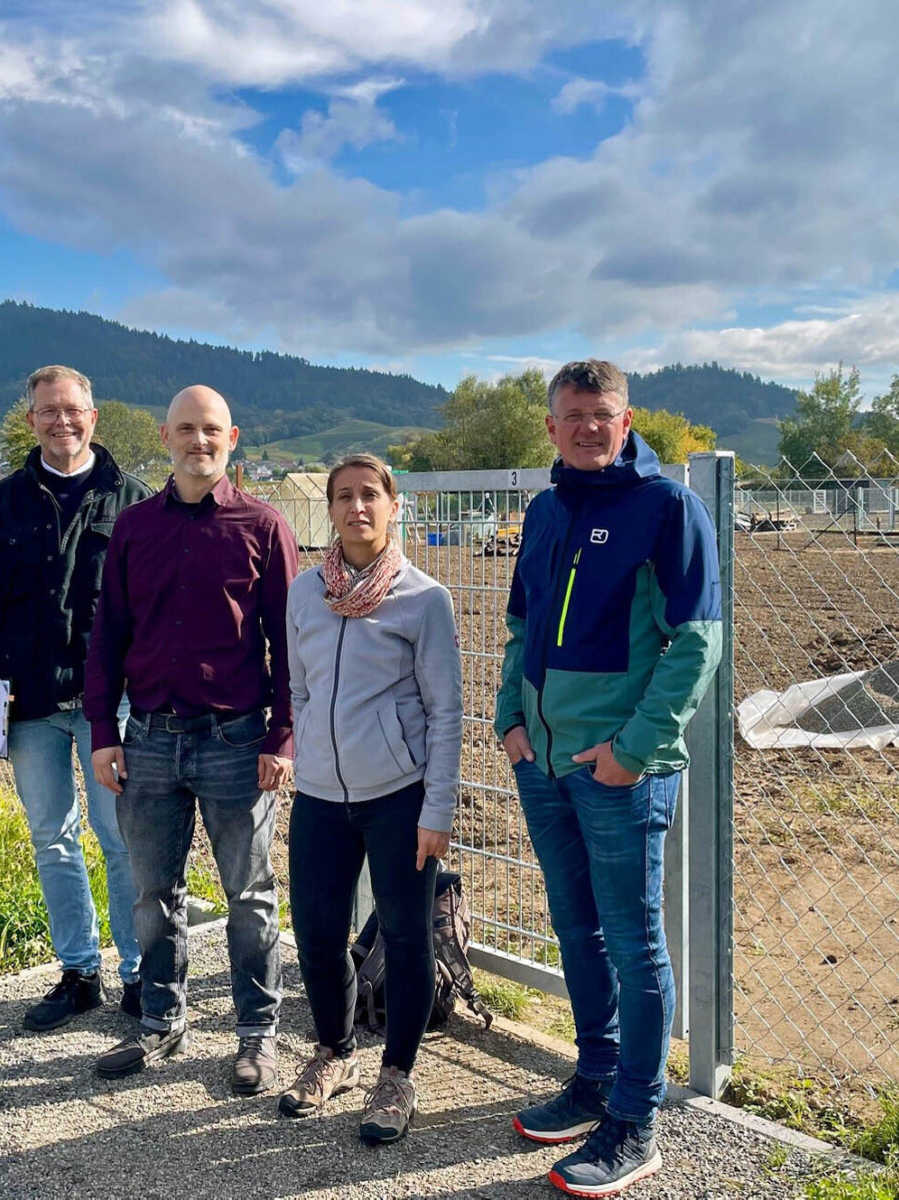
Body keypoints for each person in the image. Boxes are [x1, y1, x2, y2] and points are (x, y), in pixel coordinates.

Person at [496, 360, 721, 1195]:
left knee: (632, 942)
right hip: (544, 763)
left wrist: (632, 749)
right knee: (576, 928)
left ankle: (636, 1117)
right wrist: (508, 719)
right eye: (574, 415)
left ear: (627, 424)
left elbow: (698, 643)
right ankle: (594, 1076)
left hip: (619, 771)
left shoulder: (667, 509)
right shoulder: (546, 510)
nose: (590, 427)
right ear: (551, 427)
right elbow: (520, 625)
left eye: (605, 415)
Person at [84, 384, 297, 1096]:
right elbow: (108, 634)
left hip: (236, 741)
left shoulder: (263, 527)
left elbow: (287, 645)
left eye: (210, 430)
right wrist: (102, 731)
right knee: (154, 893)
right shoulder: (136, 529)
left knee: (250, 896)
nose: (197, 442)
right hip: (147, 739)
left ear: (232, 436)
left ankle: (256, 1037)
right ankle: (161, 1023)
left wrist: (282, 738)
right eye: (185, 430)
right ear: (165, 435)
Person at [0, 365, 151, 1032]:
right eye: (47, 411)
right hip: (28, 704)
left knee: (122, 839)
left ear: (93, 417)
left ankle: (139, 973)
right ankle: (78, 972)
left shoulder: (134, 501)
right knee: (52, 838)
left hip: (112, 708)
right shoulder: (2, 503)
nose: (61, 421)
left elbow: (152, 616)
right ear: (31, 419)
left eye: (73, 410)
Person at [278, 454, 462, 1145]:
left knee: (407, 936)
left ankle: (398, 1073)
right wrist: (307, 759)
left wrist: (436, 809)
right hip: (322, 797)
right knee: (319, 936)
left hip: (399, 797)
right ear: (329, 509)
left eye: (370, 496)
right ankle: (333, 1053)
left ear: (394, 505)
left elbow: (446, 711)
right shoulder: (304, 594)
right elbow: (296, 689)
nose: (357, 507)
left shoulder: (423, 598)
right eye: (344, 497)